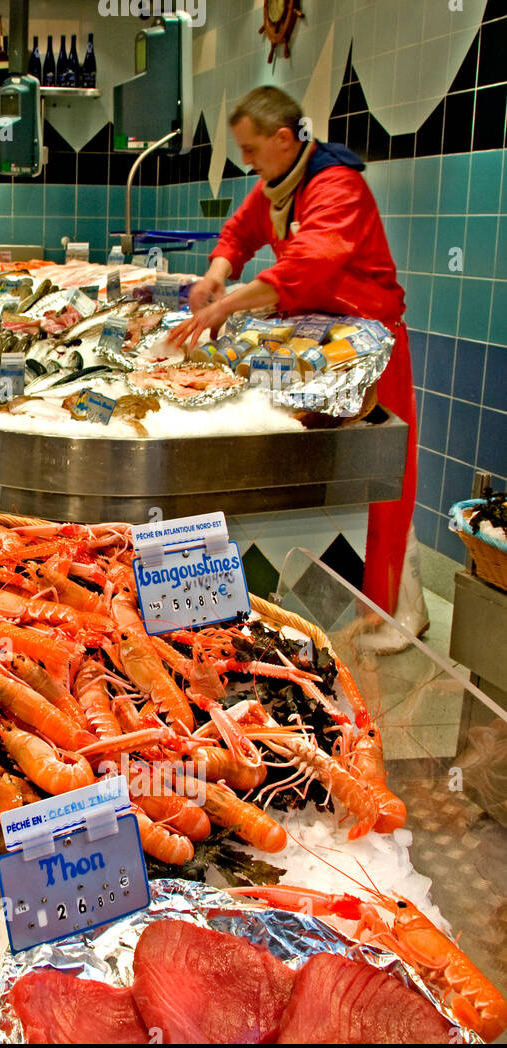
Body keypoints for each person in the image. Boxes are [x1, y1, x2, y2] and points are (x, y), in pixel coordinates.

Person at [167, 85, 427, 649]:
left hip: (368, 346)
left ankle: (396, 614)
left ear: (284, 139)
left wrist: (228, 302)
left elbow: (312, 263)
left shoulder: (338, 186)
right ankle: (372, 601)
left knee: (381, 475)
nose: (248, 162)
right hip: (316, 341)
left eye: (252, 150)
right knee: (342, 481)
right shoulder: (278, 187)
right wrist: (215, 274)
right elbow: (240, 232)